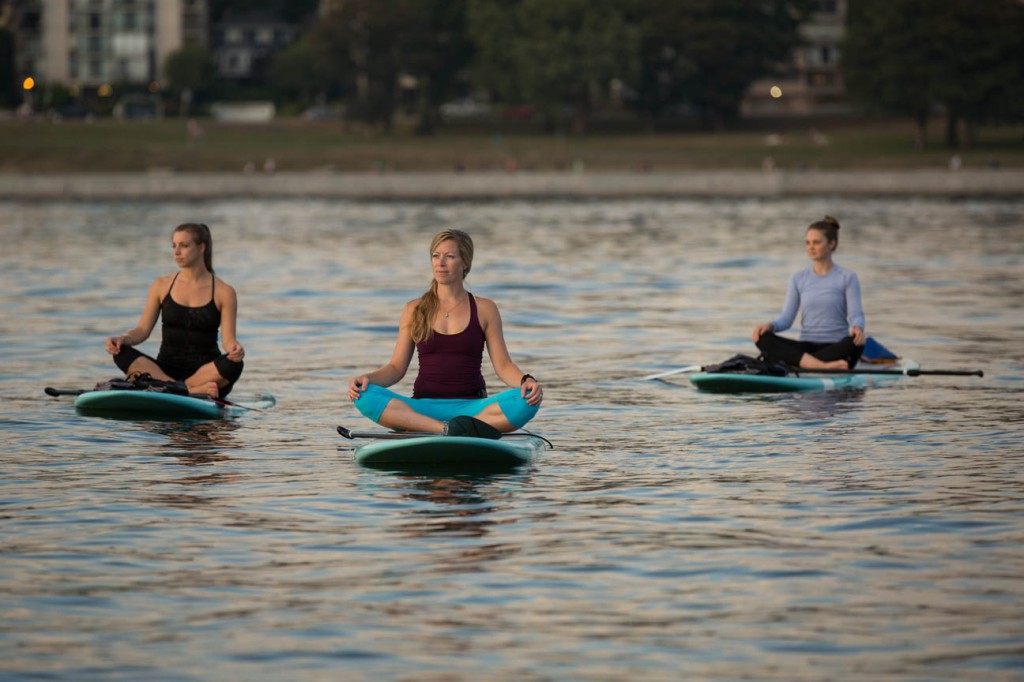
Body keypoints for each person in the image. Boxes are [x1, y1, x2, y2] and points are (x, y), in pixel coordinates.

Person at [348, 229, 543, 436]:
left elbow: (504, 366)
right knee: (365, 395)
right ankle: (447, 429)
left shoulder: (485, 308)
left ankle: (444, 426)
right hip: (422, 408)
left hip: (474, 409)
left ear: (465, 263)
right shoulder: (413, 309)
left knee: (526, 400)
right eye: (436, 256)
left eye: (450, 257)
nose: (441, 263)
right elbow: (396, 367)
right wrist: (366, 378)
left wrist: (527, 381)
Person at [105, 223, 244, 397]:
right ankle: (187, 390)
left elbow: (229, 340)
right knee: (121, 352)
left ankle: (170, 388)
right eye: (174, 246)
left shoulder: (224, 292)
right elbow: (142, 330)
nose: (176, 252)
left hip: (205, 374)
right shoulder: (161, 286)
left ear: (201, 247)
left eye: (184, 246)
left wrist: (235, 350)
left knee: (235, 364)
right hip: (164, 371)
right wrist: (122, 339)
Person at [752, 215, 866, 370]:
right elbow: (786, 319)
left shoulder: (847, 277)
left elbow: (856, 315)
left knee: (855, 343)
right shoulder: (798, 278)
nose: (811, 247)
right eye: (807, 243)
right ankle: (822, 366)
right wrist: (770, 326)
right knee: (762, 338)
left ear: (831, 244)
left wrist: (858, 327)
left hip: (836, 347)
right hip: (805, 348)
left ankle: (798, 363)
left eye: (816, 242)